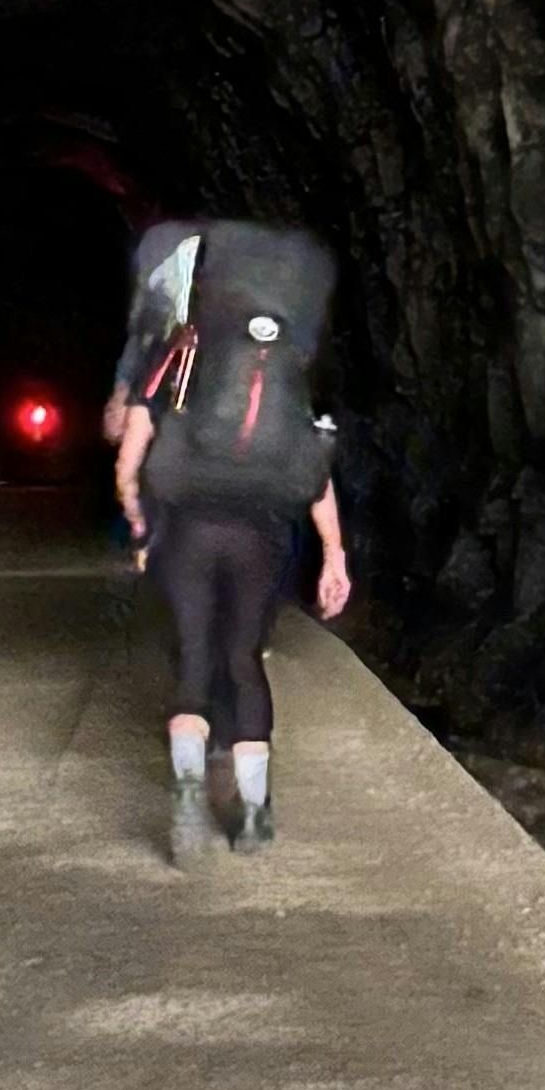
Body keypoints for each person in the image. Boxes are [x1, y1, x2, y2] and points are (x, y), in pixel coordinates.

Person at [111, 219, 350, 862]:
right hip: (261, 533)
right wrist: (334, 555)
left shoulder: (183, 350)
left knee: (193, 654)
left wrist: (139, 520)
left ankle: (189, 792)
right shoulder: (289, 363)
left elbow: (130, 456)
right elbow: (312, 469)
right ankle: (253, 813)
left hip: (188, 527)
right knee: (244, 659)